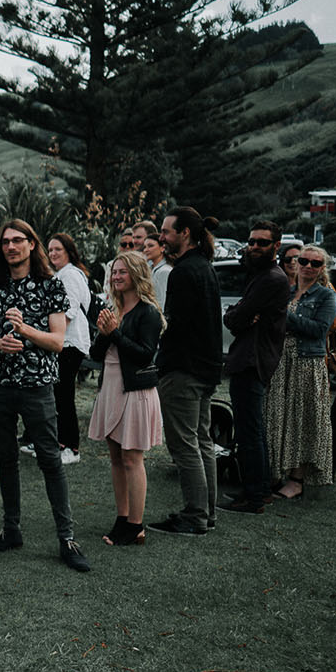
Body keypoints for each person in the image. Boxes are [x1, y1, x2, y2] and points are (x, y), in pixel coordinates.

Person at [0, 220, 90, 573]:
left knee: (50, 459)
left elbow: (56, 341)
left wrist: (23, 330)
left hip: (37, 384)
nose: (10, 246)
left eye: (18, 240)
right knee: (5, 457)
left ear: (32, 245)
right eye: (5, 242)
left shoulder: (51, 285)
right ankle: (11, 530)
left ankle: (66, 538)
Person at [147, 208, 224, 538]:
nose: (161, 237)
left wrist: (155, 339)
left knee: (185, 446)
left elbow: (175, 326)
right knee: (202, 441)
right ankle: (207, 512)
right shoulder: (205, 268)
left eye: (166, 232)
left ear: (186, 234)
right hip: (205, 369)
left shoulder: (182, 273)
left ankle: (195, 515)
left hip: (183, 370)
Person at [88, 251, 165, 547]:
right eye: (114, 272)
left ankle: (136, 525)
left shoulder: (148, 312)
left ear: (136, 275)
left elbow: (145, 353)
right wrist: (105, 332)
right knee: (116, 458)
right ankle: (122, 517)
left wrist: (116, 333)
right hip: (110, 386)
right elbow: (95, 354)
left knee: (132, 458)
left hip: (135, 390)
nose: (116, 277)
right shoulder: (114, 308)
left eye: (122, 272)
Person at [221, 220, 289, 514]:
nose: (254, 247)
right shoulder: (262, 276)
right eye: (251, 242)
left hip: (253, 361)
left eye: (262, 242)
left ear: (277, 245)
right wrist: (238, 315)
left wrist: (237, 316)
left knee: (249, 432)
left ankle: (254, 497)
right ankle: (260, 490)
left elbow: (235, 319)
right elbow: (238, 316)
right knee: (253, 430)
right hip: (252, 358)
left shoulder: (271, 279)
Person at [265, 244, 336, 501]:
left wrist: (285, 316)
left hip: (307, 363)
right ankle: (277, 472)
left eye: (314, 263)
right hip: (281, 361)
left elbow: (319, 330)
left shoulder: (326, 296)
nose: (307, 266)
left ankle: (297, 480)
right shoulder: (288, 291)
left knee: (304, 420)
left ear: (322, 268)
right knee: (281, 415)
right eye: (302, 260)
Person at [46, 232, 92, 465]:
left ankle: (72, 448)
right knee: (58, 395)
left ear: (68, 251)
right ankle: (61, 443)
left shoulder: (71, 275)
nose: (53, 253)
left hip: (70, 342)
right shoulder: (61, 274)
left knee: (64, 395)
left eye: (58, 249)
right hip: (62, 342)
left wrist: (49, 337)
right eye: (50, 250)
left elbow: (69, 312)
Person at [142, 227, 171, 303]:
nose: (146, 250)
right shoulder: (150, 269)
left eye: (150, 246)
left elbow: (163, 301)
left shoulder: (164, 271)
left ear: (162, 248)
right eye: (144, 247)